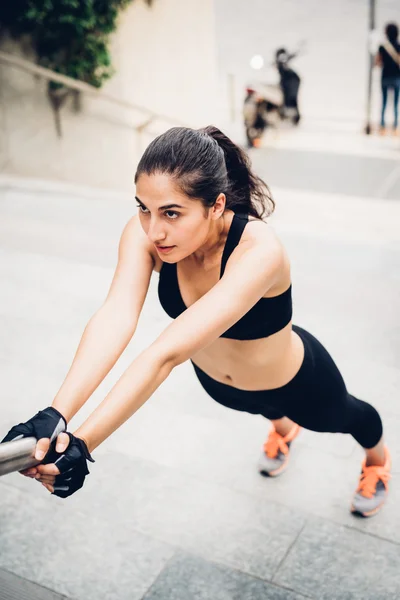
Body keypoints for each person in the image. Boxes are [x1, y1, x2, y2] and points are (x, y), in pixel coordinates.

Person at [1, 126, 391, 516]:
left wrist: (83, 445)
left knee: (352, 417)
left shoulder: (259, 249)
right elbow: (115, 316)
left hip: (294, 383)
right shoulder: (147, 235)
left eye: (171, 212)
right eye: (143, 208)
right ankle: (284, 431)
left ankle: (378, 463)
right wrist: (56, 413)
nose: (155, 230)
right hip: (221, 388)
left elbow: (165, 354)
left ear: (217, 205)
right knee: (265, 412)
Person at [375, 22, 400, 135]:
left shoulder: (382, 47)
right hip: (396, 77)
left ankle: (382, 126)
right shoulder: (399, 47)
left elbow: (378, 62)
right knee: (395, 103)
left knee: (384, 102)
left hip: (385, 76)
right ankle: (395, 126)